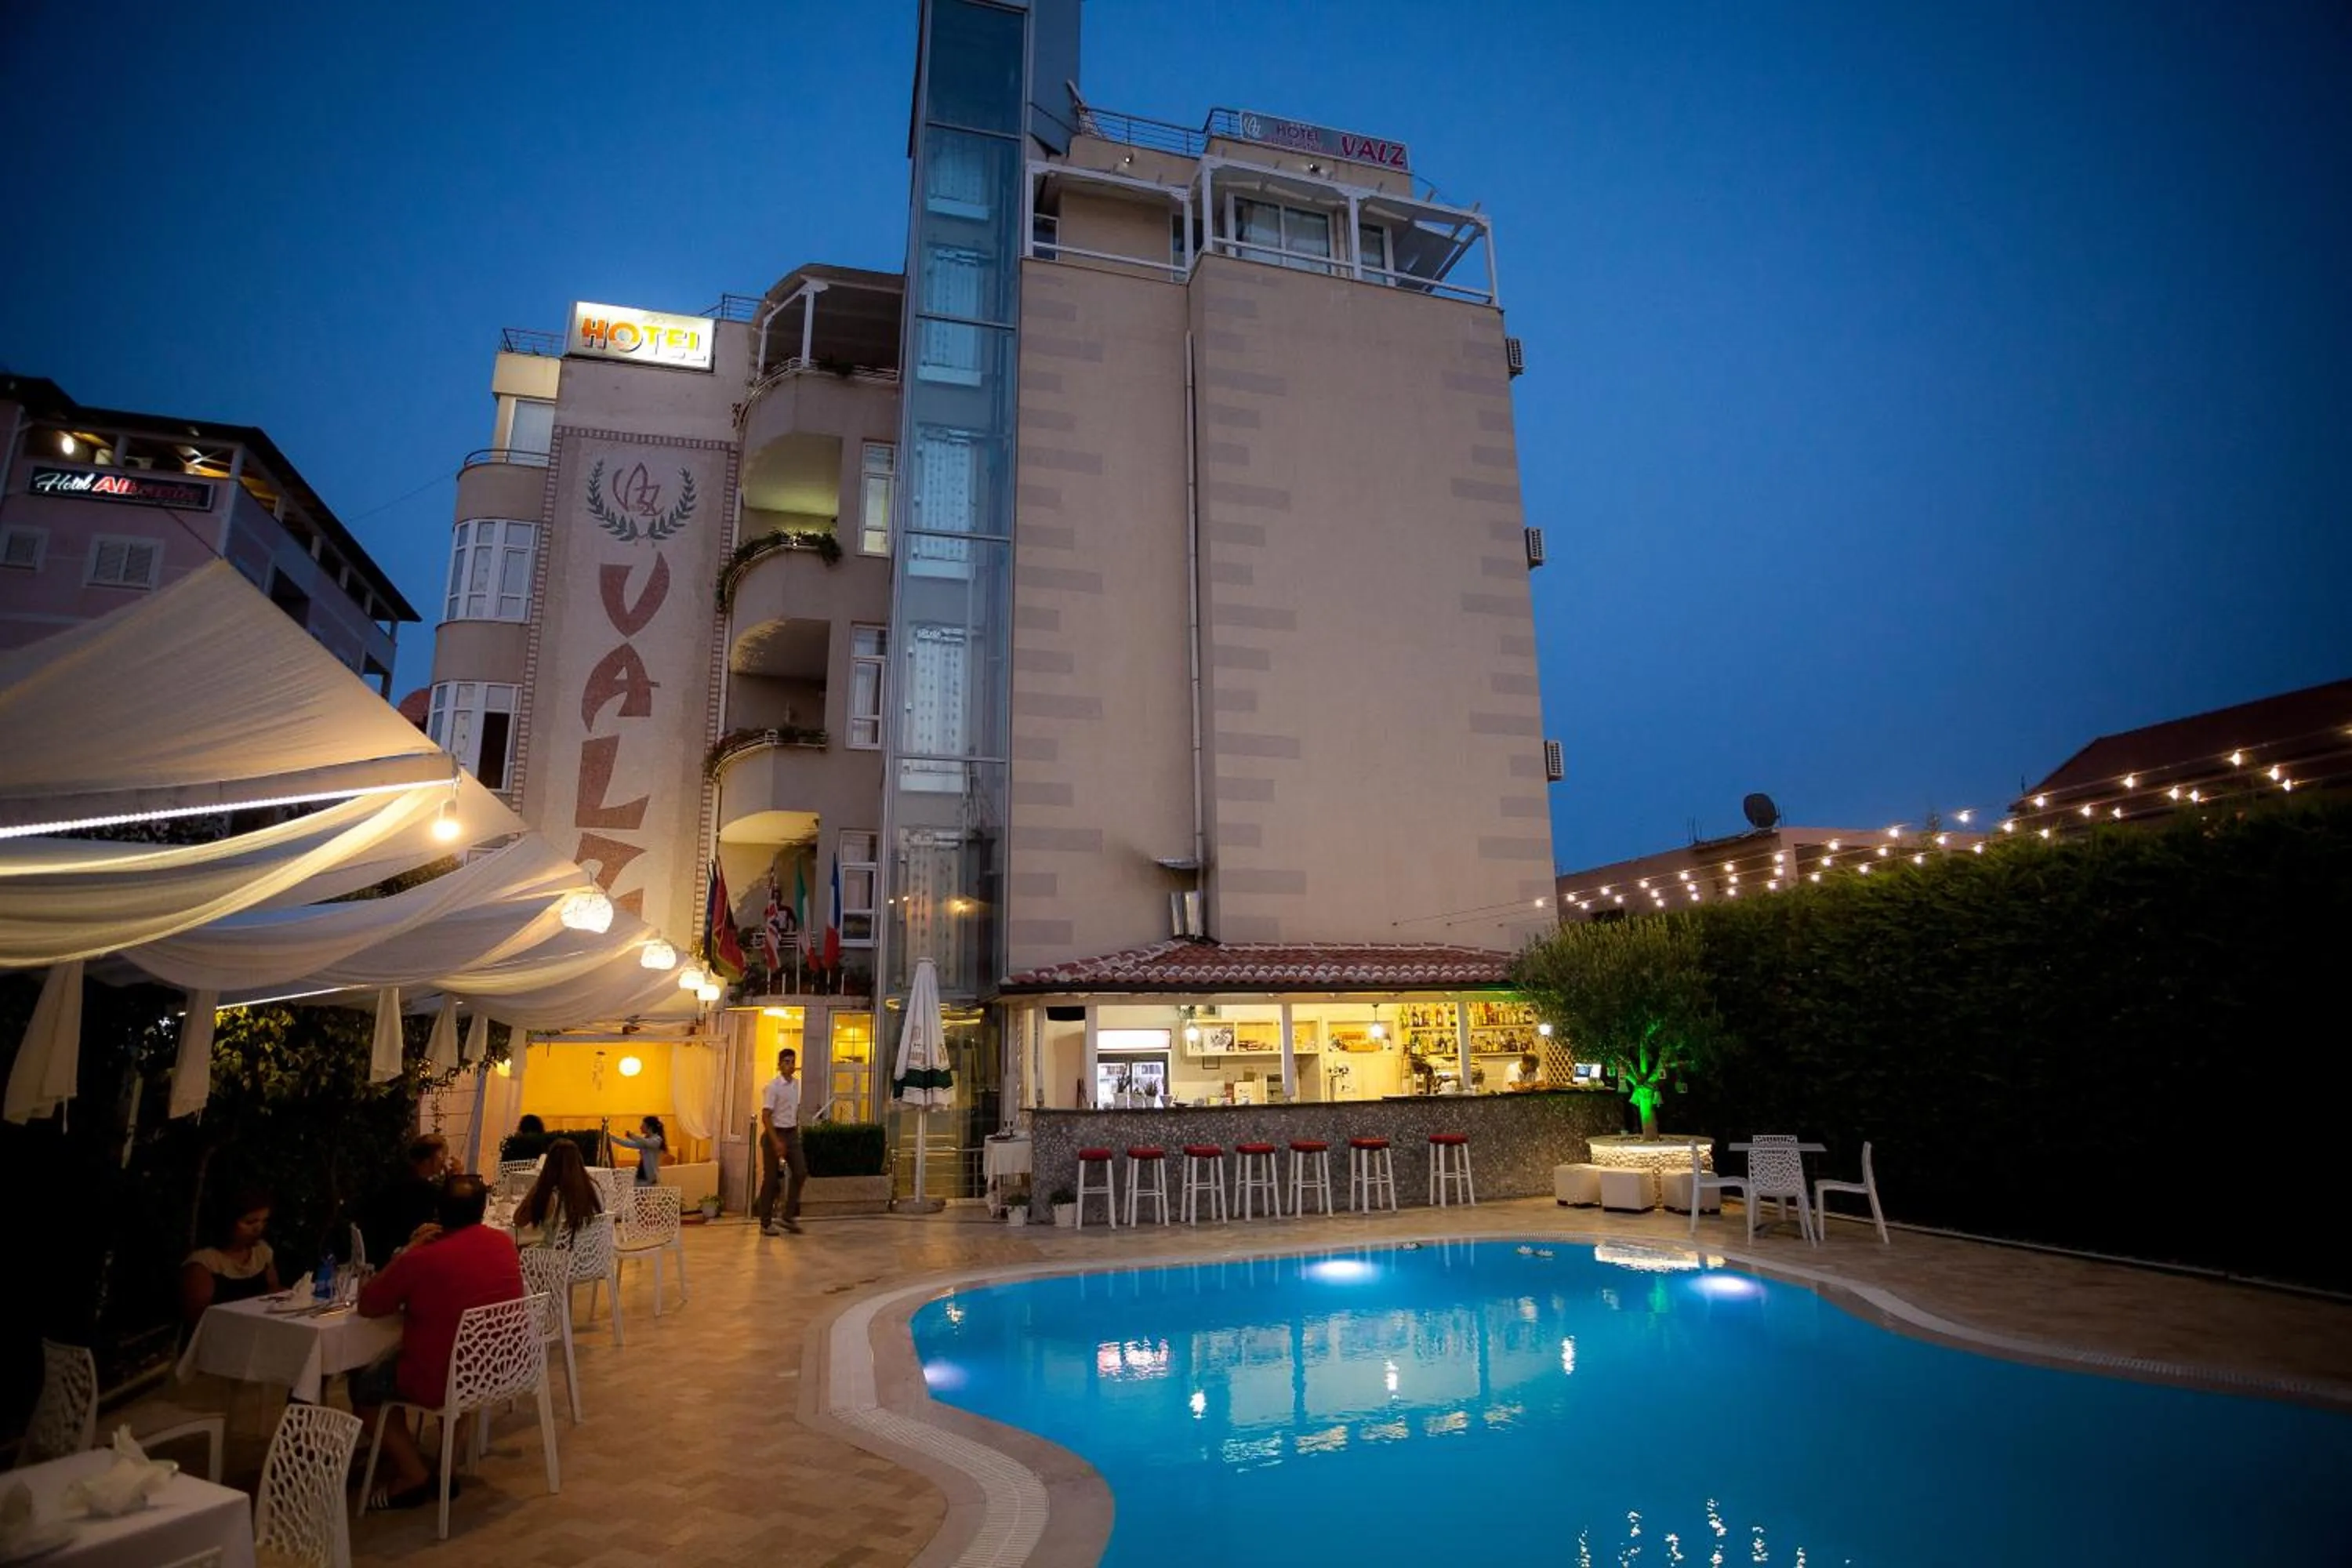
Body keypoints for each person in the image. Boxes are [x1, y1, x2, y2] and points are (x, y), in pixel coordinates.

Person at [350, 1174, 524, 1511]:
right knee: (458, 1366)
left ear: (438, 1213)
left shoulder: (422, 1259)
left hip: (443, 1375)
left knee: (364, 1385)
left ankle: (412, 1473)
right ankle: (447, 1468)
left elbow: (369, 1304)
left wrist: (410, 1249)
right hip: (498, 1367)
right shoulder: (502, 1243)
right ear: (483, 1208)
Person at [180, 1187, 281, 1325]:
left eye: (263, 1221)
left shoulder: (261, 1252)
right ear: (228, 1222)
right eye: (250, 1222)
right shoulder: (206, 1262)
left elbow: (273, 1291)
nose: (258, 1228)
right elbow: (198, 1317)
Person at [351, 1134, 450, 1269]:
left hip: (375, 1246)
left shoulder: (396, 1174)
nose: (443, 1162)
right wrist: (453, 1180)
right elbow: (431, 1224)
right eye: (441, 1157)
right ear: (427, 1161)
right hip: (394, 1253)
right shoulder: (421, 1188)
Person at [513, 1138, 603, 1249]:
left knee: (513, 1249)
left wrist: (541, 1182)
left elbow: (519, 1220)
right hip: (589, 1259)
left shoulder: (551, 1197)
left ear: (549, 1165)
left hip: (555, 1261)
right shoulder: (594, 1189)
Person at [756, 1047, 806, 1236]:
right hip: (774, 1133)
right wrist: (776, 1141)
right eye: (786, 1062)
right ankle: (765, 1222)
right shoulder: (773, 1087)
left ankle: (788, 1215)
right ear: (779, 1065)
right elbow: (766, 1116)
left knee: (800, 1171)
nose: (790, 1065)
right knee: (770, 1179)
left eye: (792, 1062)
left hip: (791, 1133)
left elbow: (794, 1110)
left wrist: (795, 1131)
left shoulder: (796, 1085)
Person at [611, 1115, 666, 1185]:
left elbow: (647, 1143)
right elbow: (627, 1143)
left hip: (650, 1178)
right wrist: (612, 1138)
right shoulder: (645, 1140)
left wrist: (632, 1136)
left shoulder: (657, 1140)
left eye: (643, 1125)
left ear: (650, 1127)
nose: (641, 1127)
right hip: (641, 1174)